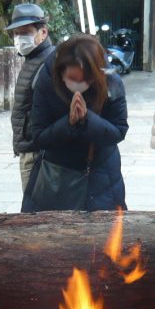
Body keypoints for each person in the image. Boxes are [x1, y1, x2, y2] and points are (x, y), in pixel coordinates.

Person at [22, 33, 128, 213]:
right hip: (57, 175)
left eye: (84, 80)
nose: (77, 85)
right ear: (61, 71)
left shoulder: (111, 80)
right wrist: (68, 124)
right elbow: (39, 136)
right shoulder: (47, 80)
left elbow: (118, 131)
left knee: (104, 236)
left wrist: (88, 120)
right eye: (72, 79)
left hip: (101, 173)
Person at [6, 3, 55, 192]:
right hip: (29, 148)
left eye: (25, 33)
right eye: (16, 34)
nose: (19, 38)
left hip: (38, 153)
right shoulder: (33, 59)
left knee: (34, 213)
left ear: (43, 32)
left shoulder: (50, 61)